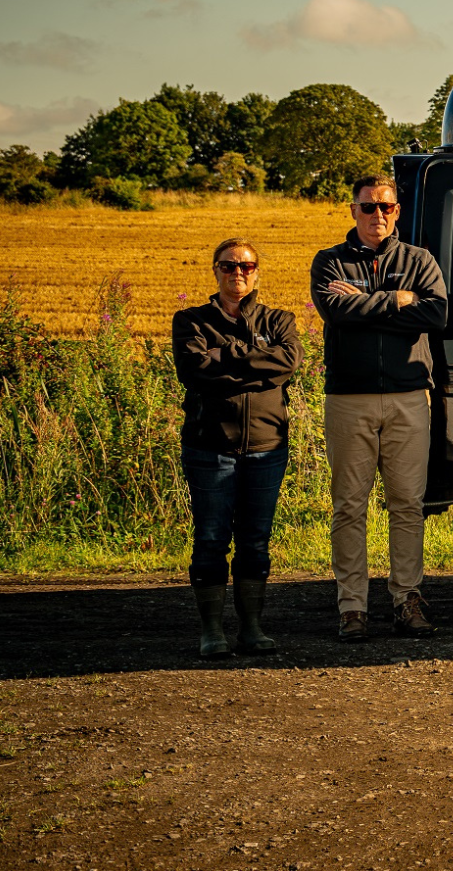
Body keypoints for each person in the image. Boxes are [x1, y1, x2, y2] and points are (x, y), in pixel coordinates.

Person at [310, 175, 450, 642]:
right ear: (352, 210)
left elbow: (436, 315)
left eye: (386, 207)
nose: (378, 216)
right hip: (349, 398)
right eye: (368, 207)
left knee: (407, 504)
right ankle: (352, 607)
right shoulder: (329, 262)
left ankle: (407, 598)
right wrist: (398, 301)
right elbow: (334, 312)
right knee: (349, 506)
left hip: (410, 397)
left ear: (397, 211)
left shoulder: (420, 260)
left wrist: (368, 305)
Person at [171, 239, 302, 658]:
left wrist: (226, 357)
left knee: (255, 540)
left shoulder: (280, 320)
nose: (238, 273)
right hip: (210, 447)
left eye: (246, 266)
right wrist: (255, 362)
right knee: (210, 539)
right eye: (229, 266)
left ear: (258, 271)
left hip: (267, 446)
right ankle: (212, 631)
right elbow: (195, 372)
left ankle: (251, 627)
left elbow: (287, 363)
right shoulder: (190, 320)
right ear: (215, 270)